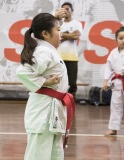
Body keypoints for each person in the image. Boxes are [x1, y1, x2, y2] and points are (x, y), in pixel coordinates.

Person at [16, 13, 75, 160]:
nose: (61, 34)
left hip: (52, 110)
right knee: (39, 154)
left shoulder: (47, 50)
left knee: (54, 153)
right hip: (44, 111)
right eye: (58, 30)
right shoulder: (43, 51)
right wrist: (44, 82)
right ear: (45, 34)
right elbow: (22, 71)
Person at [57, 2, 82, 99]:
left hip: (72, 57)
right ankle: (59, 101)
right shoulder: (58, 23)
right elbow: (56, 38)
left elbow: (76, 36)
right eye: (63, 9)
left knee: (72, 84)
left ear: (72, 11)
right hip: (58, 58)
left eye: (67, 9)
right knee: (59, 81)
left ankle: (71, 102)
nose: (65, 11)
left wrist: (62, 34)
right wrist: (68, 34)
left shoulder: (77, 23)